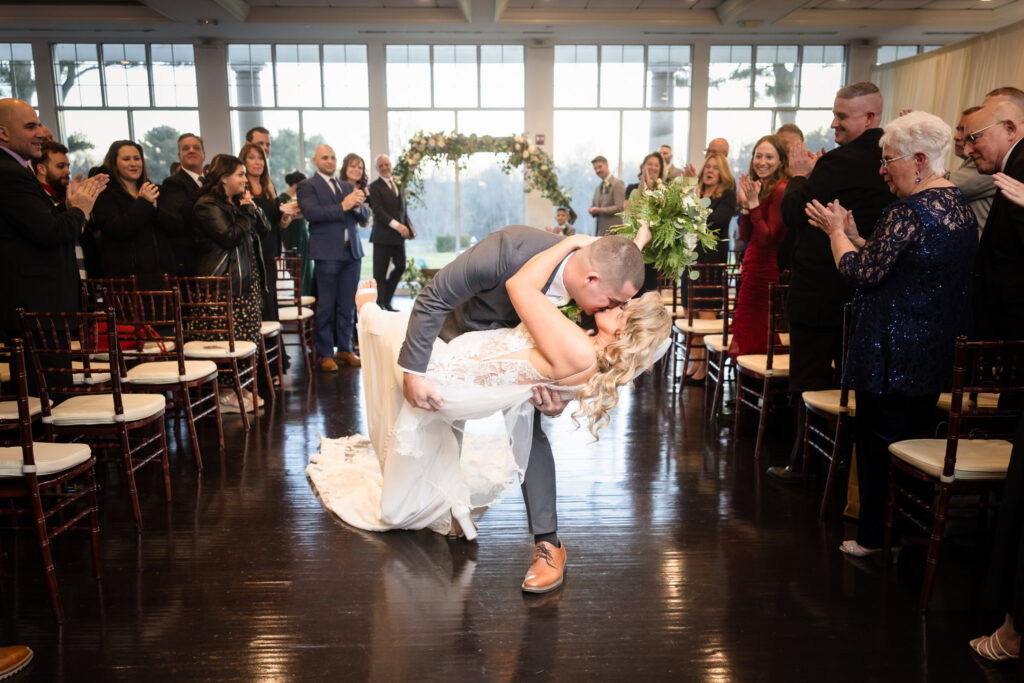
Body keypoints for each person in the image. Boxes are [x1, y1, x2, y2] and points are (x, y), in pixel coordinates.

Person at [398, 226, 648, 592]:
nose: (612, 311)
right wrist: (414, 372)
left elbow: (574, 364)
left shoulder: (592, 301)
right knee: (444, 421)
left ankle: (549, 543)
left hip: (522, 358)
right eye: (611, 302)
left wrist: (556, 401)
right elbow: (434, 296)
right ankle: (444, 502)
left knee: (530, 432)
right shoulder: (507, 251)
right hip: (460, 338)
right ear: (592, 279)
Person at [805, 110, 977, 557]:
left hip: (890, 354)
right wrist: (863, 237)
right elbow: (900, 265)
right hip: (933, 351)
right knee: (915, 442)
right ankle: (909, 530)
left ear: (919, 160)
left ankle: (874, 538)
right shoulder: (957, 205)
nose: (882, 170)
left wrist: (837, 233)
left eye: (889, 160)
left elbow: (862, 273)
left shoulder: (907, 210)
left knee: (881, 446)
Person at [768, 81, 896, 483]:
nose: (834, 123)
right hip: (864, 291)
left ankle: (803, 461)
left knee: (807, 376)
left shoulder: (837, 163)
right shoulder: (890, 159)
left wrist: (801, 175)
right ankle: (843, 460)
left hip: (820, 290)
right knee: (849, 381)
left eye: (842, 117)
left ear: (869, 118)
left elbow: (793, 212)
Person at [0, 98, 107, 340]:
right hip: (35, 307)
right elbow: (51, 233)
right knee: (49, 379)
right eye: (30, 127)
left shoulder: (17, 169)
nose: (40, 134)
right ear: (2, 133)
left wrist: (68, 207)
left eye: (38, 125)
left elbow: (38, 225)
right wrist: (80, 209)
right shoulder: (9, 173)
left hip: (38, 308)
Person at [191, 153, 268, 413]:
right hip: (223, 283)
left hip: (245, 279)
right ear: (224, 178)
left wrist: (250, 208)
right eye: (241, 174)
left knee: (246, 336)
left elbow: (265, 229)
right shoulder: (206, 205)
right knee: (226, 337)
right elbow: (229, 236)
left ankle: (239, 386)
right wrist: (247, 211)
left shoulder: (236, 203)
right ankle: (224, 392)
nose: (246, 179)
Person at [296, 145, 369, 371]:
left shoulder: (346, 185)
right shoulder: (307, 186)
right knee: (326, 305)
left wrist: (356, 207)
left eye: (333, 157)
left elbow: (365, 215)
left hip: (352, 253)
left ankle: (345, 350)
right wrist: (343, 206)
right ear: (315, 161)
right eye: (325, 158)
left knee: (347, 306)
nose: (330, 161)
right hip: (327, 253)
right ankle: (325, 353)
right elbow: (312, 214)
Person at [962, 93, 1024, 342]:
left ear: (1009, 129)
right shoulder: (1013, 164)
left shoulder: (1021, 165)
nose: (967, 151)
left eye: (974, 138)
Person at [727, 135, 790, 359]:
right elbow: (745, 236)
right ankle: (749, 387)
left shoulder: (781, 190)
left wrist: (753, 205)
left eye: (769, 157)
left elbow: (767, 238)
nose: (762, 161)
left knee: (758, 332)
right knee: (746, 330)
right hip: (752, 268)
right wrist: (746, 205)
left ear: (781, 161)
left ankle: (759, 390)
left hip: (765, 270)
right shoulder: (760, 188)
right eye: (758, 156)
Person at [90, 140, 177, 289]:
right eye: (126, 159)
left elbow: (176, 226)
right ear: (114, 163)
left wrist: (155, 209)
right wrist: (143, 203)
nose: (133, 163)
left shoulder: (152, 189)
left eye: (137, 159)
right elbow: (118, 229)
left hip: (162, 277)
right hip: (127, 280)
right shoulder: (105, 194)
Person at [239, 141, 296, 322]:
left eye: (260, 158)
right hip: (250, 253)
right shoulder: (241, 189)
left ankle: (275, 347)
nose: (257, 162)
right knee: (258, 300)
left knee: (270, 298)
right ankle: (261, 347)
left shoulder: (269, 188)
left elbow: (279, 224)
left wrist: (287, 216)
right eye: (252, 158)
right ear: (244, 161)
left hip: (269, 250)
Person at [368, 154, 413, 312]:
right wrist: (398, 226)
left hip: (398, 238)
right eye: (381, 166)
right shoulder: (373, 187)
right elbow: (378, 211)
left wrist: (408, 228)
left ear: (391, 165)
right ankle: (380, 305)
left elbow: (402, 211)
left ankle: (386, 299)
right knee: (379, 274)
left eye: (386, 164)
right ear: (377, 169)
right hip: (381, 237)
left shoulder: (399, 185)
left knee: (401, 267)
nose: (385, 167)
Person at [159, 133, 206, 274]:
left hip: (211, 256)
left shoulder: (210, 182)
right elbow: (186, 214)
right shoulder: (173, 183)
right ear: (179, 156)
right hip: (190, 259)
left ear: (203, 154)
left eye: (196, 148)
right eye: (186, 148)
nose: (191, 150)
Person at [949, 105, 996, 233]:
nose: (957, 137)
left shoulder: (989, 164)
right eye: (958, 130)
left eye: (964, 131)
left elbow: (946, 188)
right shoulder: (971, 162)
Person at [624, 152, 665, 293]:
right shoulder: (632, 188)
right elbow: (628, 209)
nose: (653, 167)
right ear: (642, 167)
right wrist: (643, 186)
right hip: (635, 241)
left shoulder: (663, 190)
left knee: (651, 287)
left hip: (655, 244)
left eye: (656, 165)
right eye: (650, 164)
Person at [277, 171, 313, 296]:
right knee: (294, 263)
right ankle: (296, 294)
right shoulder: (283, 198)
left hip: (302, 232)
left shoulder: (301, 197)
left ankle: (307, 294)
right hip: (290, 233)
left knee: (306, 263)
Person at [588, 155, 625, 237]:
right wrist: (591, 210)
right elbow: (595, 205)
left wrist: (599, 210)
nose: (597, 170)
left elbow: (620, 207)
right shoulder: (597, 188)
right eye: (595, 168)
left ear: (607, 165)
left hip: (614, 233)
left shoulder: (617, 183)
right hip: (600, 233)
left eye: (600, 167)